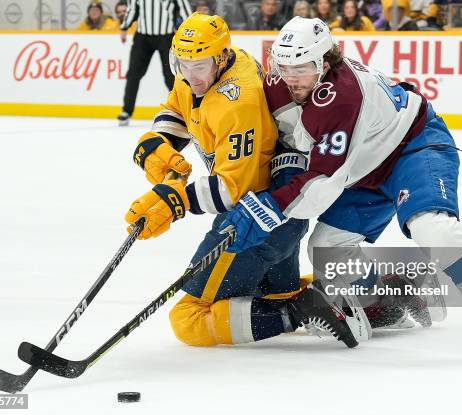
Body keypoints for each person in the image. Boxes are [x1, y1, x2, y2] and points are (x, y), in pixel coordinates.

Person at [222, 17, 462, 361]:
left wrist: (267, 207)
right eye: (284, 66)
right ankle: (392, 299)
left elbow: (322, 182)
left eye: (303, 68)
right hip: (365, 166)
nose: (292, 77)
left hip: (411, 148)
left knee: (432, 226)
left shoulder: (339, 98)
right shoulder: (285, 81)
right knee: (328, 249)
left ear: (325, 64)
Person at [123, 13, 368, 349]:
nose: (190, 75)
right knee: (274, 294)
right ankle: (375, 295)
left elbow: (232, 189)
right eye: (182, 64)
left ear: (222, 57)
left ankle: (301, 311)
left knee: (190, 320)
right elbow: (180, 107)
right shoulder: (207, 65)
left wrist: (176, 201)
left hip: (256, 219)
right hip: (278, 212)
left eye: (199, 66)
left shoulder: (238, 102)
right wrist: (160, 143)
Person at [117, 0, 192, 126]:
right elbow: (133, 9)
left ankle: (183, 110)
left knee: (171, 75)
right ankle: (127, 111)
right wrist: (124, 27)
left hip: (166, 36)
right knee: (133, 74)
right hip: (143, 36)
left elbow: (184, 9)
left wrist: (189, 31)